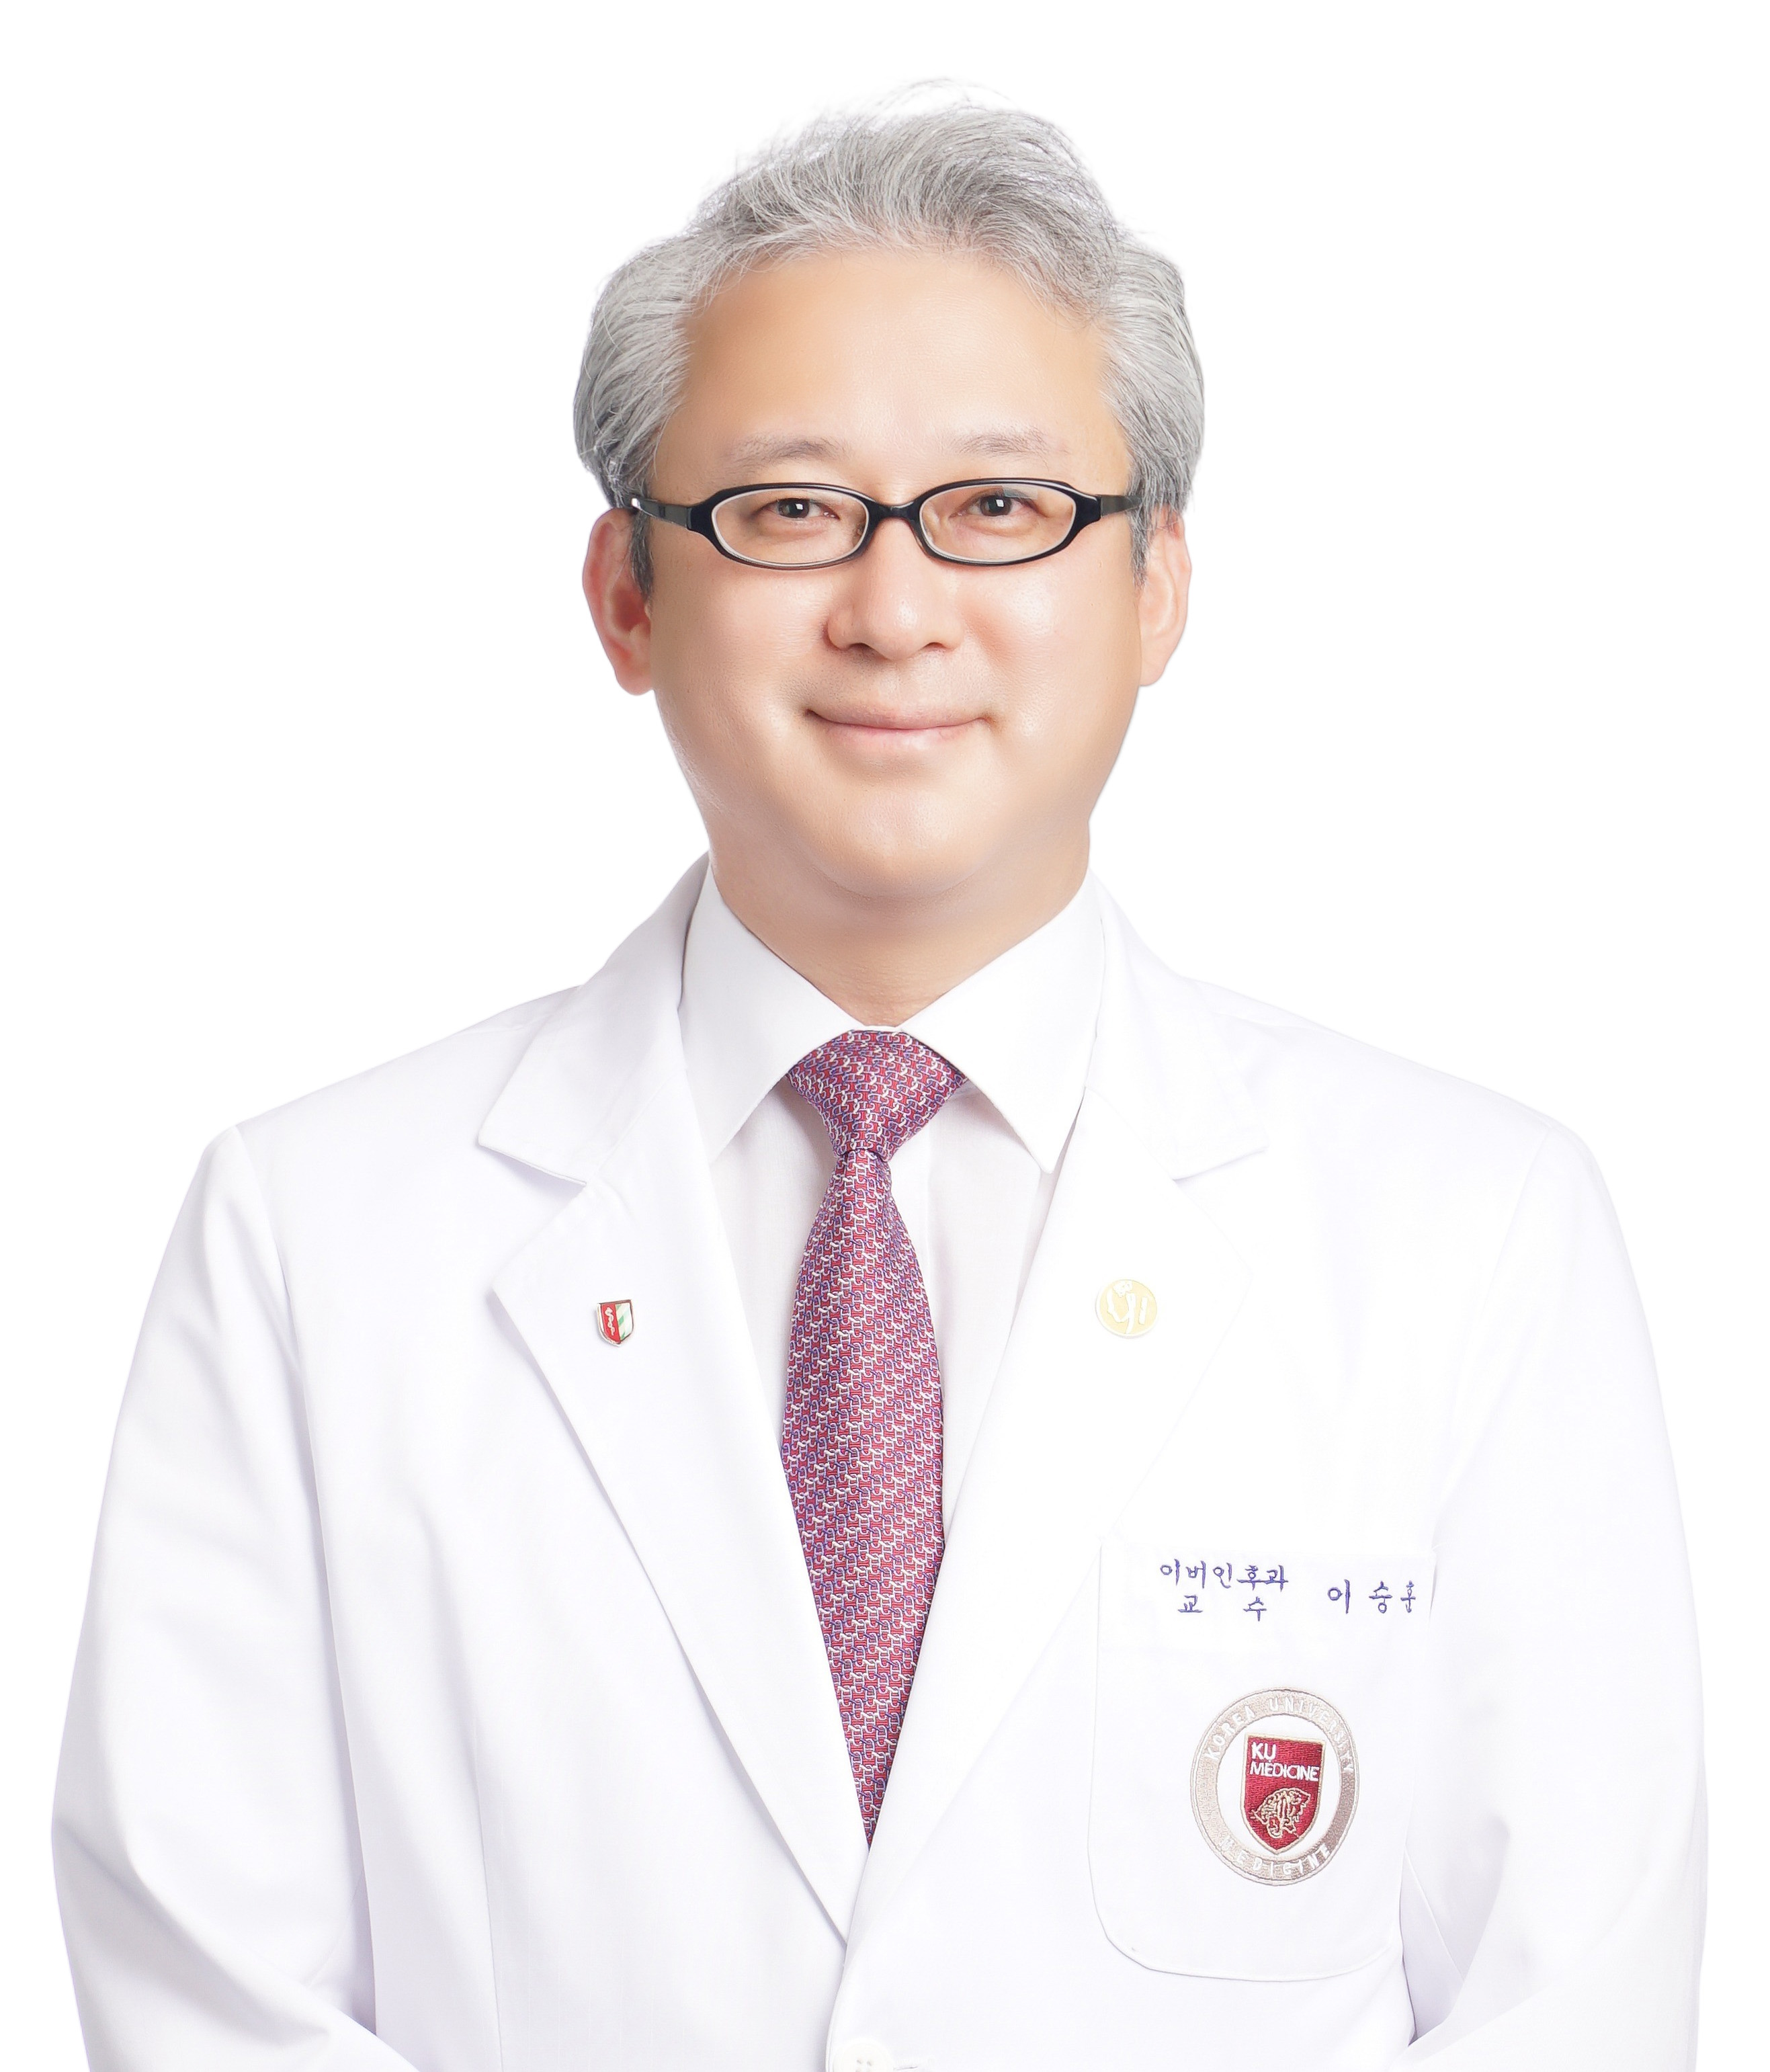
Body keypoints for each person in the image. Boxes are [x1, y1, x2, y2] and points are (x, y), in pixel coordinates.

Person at [53, 96, 1703, 2072]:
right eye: (788, 510)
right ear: (627, 593)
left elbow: (1571, 2005)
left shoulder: (1470, 1234)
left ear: (1157, 587)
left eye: (1000, 508)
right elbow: (207, 1987)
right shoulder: (316, 1235)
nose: (896, 608)